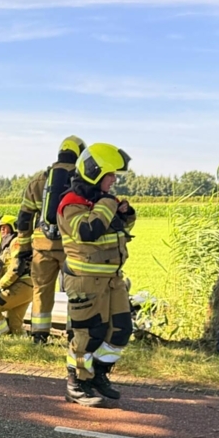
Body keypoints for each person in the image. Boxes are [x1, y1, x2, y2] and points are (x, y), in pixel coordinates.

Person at [56, 143, 136, 407]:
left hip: (112, 280)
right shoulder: (71, 203)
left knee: (121, 330)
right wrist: (108, 205)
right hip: (85, 281)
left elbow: (115, 230)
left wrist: (125, 213)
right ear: (95, 172)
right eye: (110, 174)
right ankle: (76, 383)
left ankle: (97, 375)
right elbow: (88, 231)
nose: (114, 180)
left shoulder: (100, 201)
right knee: (88, 335)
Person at [16, 136, 85, 344]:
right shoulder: (82, 180)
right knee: (76, 290)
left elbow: (24, 218)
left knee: (41, 290)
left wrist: (23, 249)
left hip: (42, 247)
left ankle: (39, 335)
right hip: (70, 247)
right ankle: (74, 334)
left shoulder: (38, 181)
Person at [0, 215, 32, 336]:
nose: (2, 230)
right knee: (15, 324)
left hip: (20, 285)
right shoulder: (11, 243)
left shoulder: (15, 242)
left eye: (5, 227)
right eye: (0, 228)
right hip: (27, 287)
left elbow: (16, 268)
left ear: (14, 228)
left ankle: (2, 337)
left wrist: (0, 286)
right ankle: (22, 343)